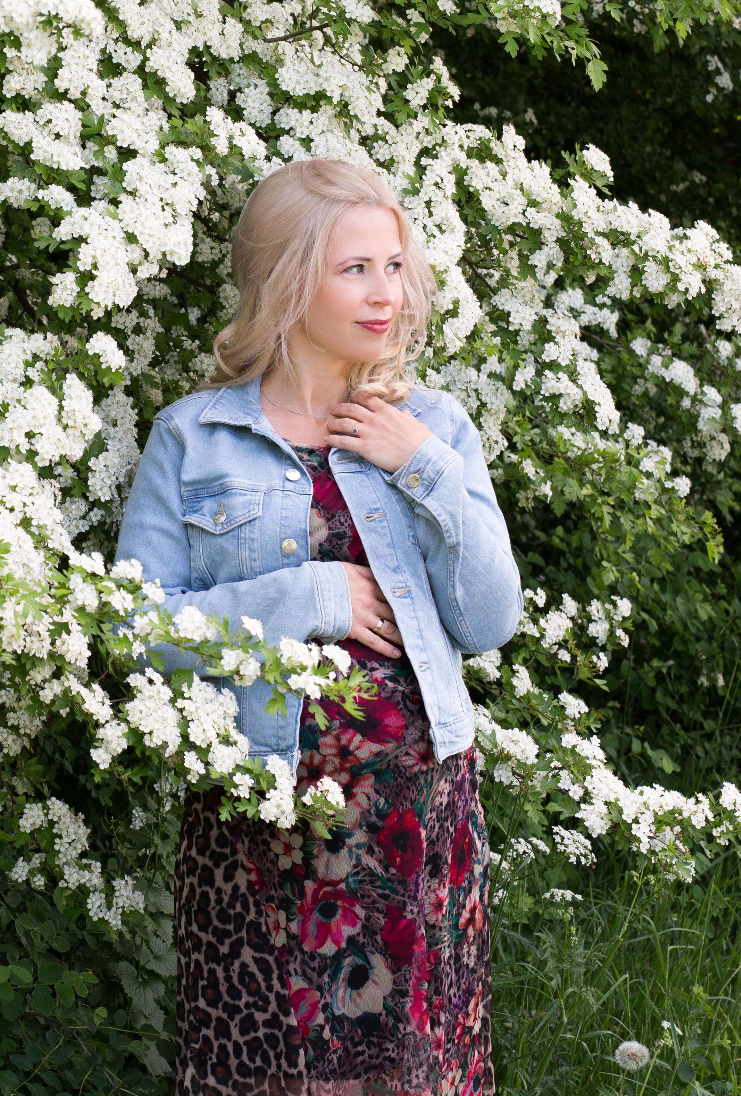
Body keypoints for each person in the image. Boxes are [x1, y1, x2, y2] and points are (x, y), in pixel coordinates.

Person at [114, 159, 523, 1095]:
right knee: (264, 1069)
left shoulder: (432, 427)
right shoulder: (194, 437)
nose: (388, 293)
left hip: (416, 820)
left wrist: (421, 464)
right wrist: (311, 598)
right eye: (355, 269)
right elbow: (137, 633)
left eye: (394, 265)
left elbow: (490, 619)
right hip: (260, 820)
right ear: (289, 280)